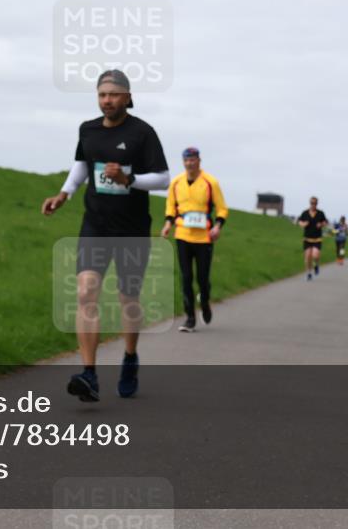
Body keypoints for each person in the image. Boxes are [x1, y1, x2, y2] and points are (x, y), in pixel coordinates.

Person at [42, 69, 168, 402]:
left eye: (113, 94)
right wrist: (64, 194)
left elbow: (163, 178)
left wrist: (129, 179)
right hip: (95, 224)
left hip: (132, 228)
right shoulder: (88, 130)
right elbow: (82, 165)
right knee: (86, 291)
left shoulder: (143, 133)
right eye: (101, 95)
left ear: (127, 96)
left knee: (128, 298)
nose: (106, 101)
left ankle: (129, 357)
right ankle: (89, 374)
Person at [161, 147, 228, 333]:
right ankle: (190, 317)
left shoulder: (210, 182)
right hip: (182, 235)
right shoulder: (176, 183)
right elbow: (170, 208)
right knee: (186, 278)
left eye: (193, 160)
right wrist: (168, 224)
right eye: (186, 160)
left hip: (204, 237)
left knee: (202, 278)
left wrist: (217, 226)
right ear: (183, 162)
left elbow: (222, 209)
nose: (190, 163)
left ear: (199, 161)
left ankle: (204, 302)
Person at [297, 196, 327, 280]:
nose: (313, 205)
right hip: (307, 238)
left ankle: (316, 264)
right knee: (307, 257)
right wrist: (303, 224)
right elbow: (300, 222)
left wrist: (321, 225)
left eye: (315, 203)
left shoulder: (320, 213)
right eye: (312, 203)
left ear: (317, 204)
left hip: (317, 238)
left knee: (315, 255)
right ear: (309, 203)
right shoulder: (305, 213)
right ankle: (309, 273)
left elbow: (325, 222)